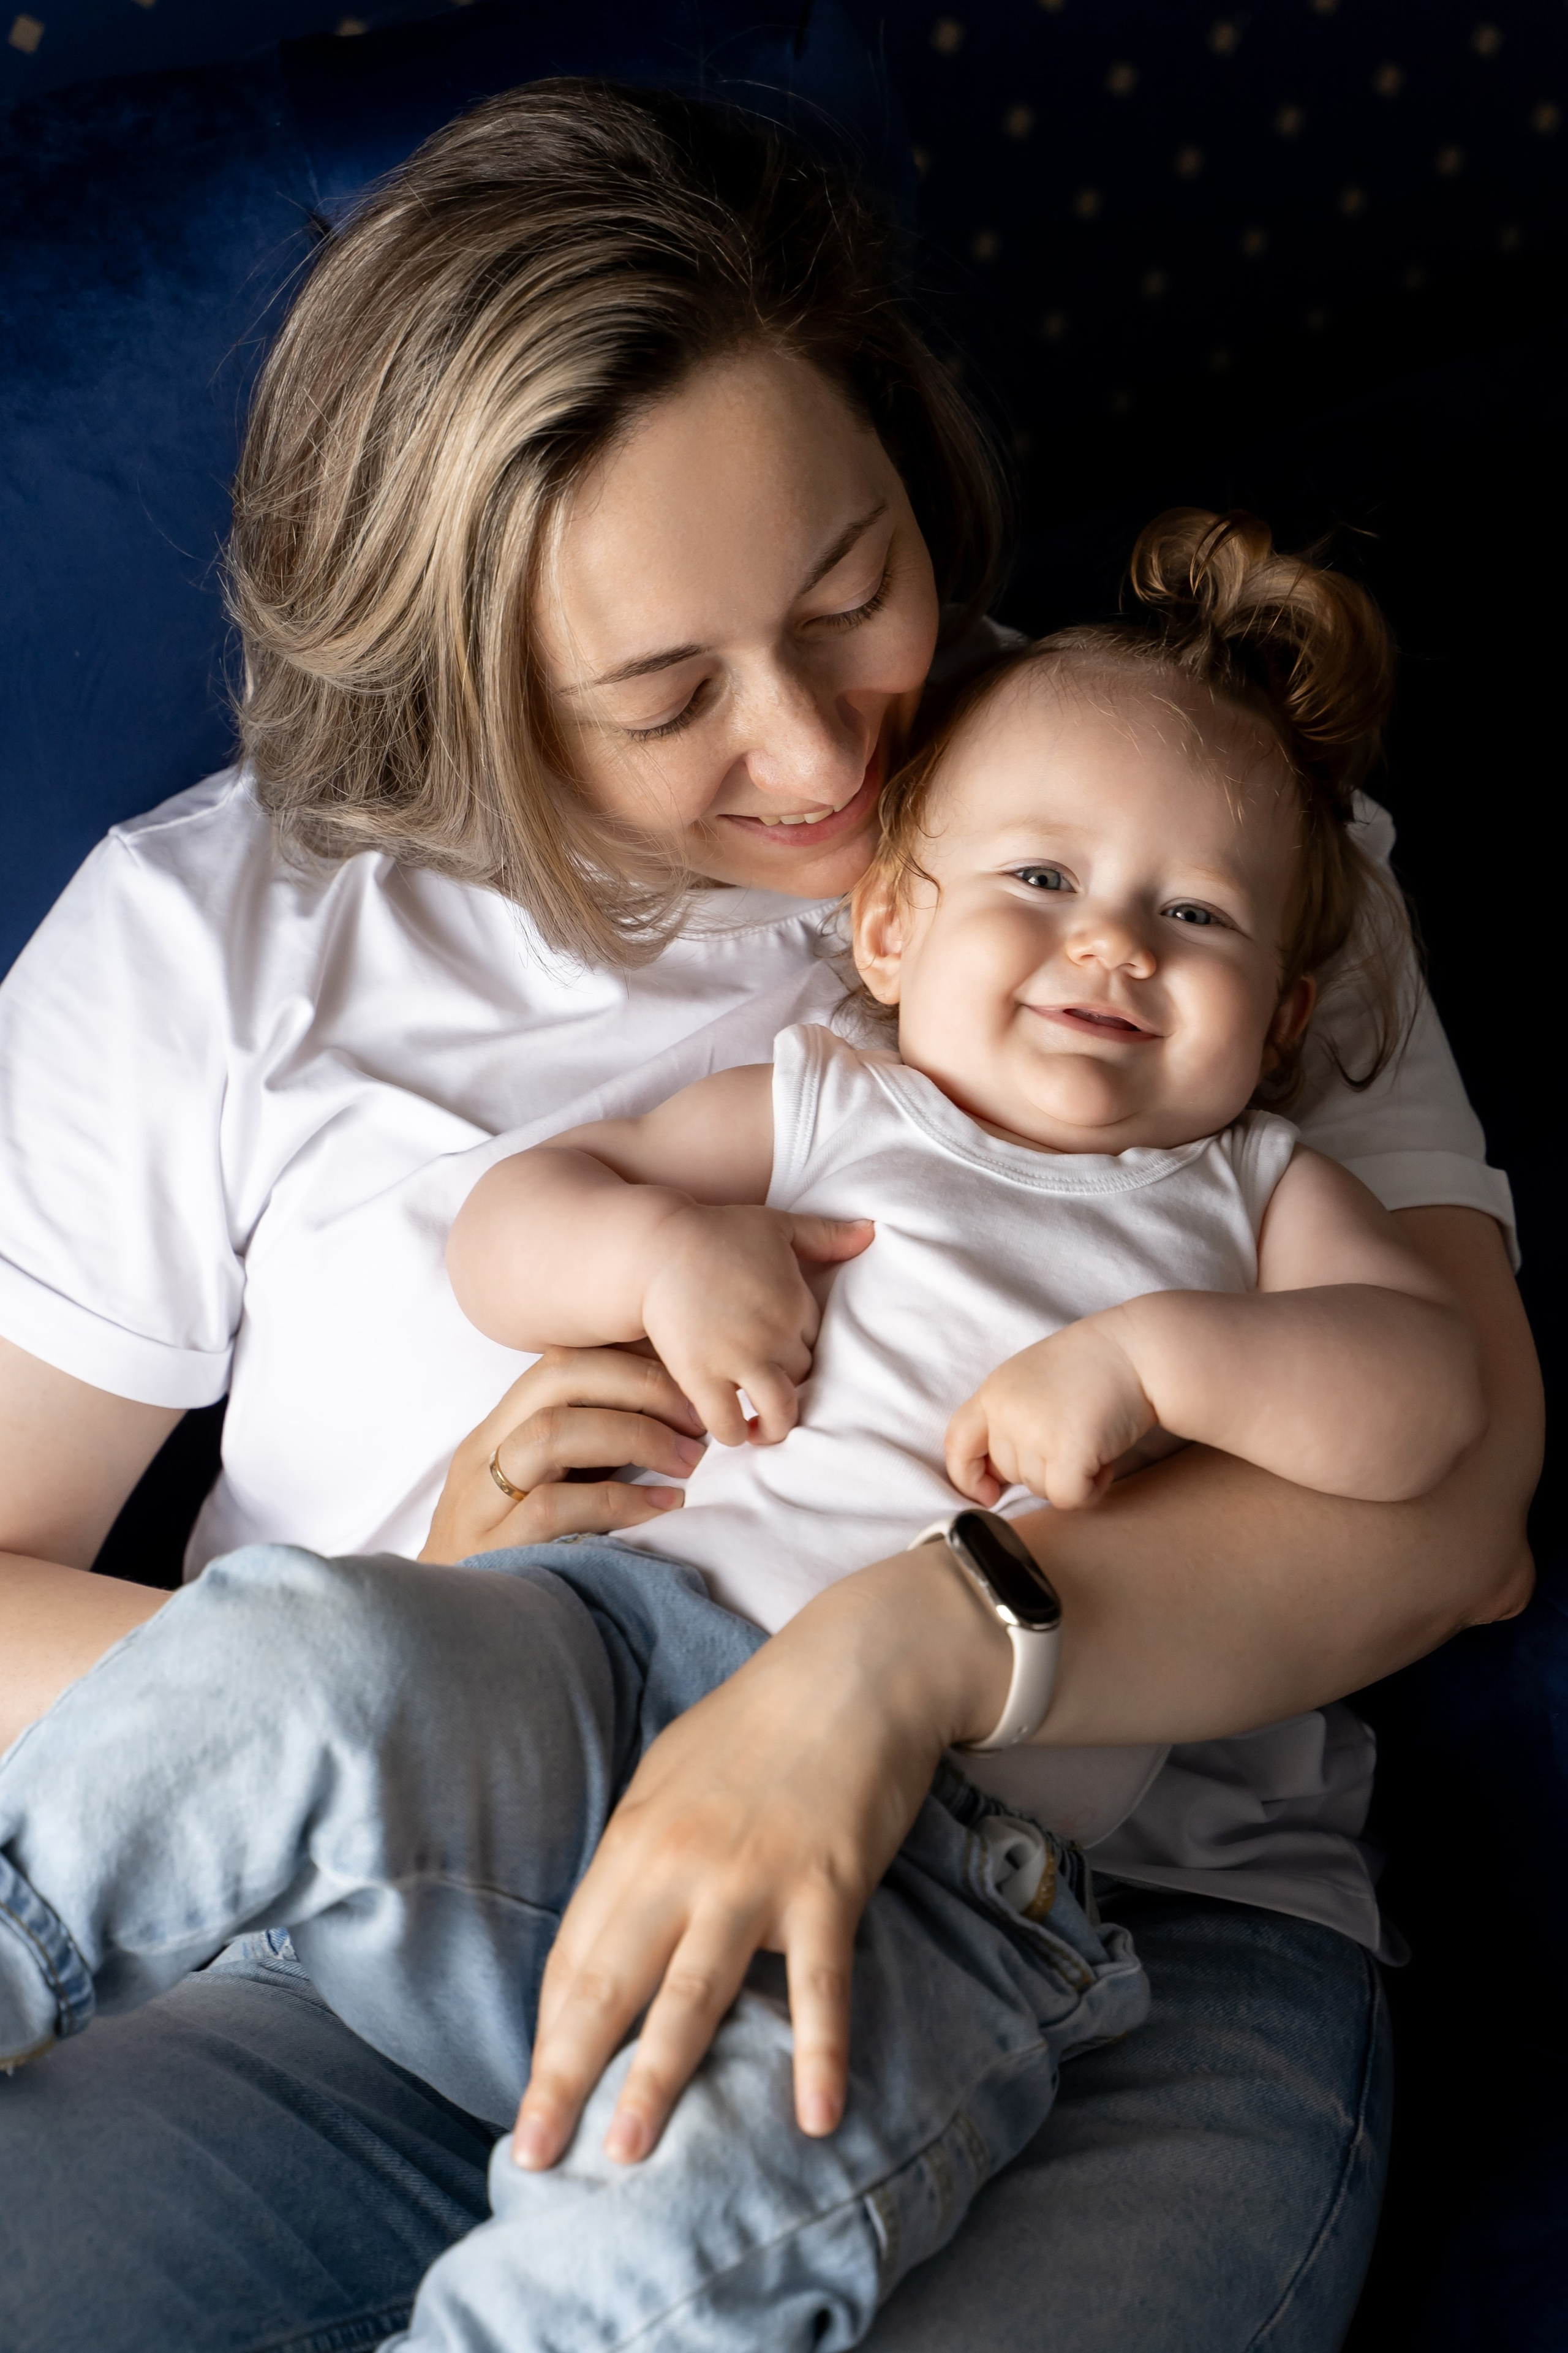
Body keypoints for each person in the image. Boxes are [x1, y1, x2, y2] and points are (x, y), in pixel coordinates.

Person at [0, 79, 1540, 2353]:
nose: (825, 758)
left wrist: (899, 1658)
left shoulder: (1172, 824)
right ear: (467, 675)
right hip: (399, 1891)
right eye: (665, 698)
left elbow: (1459, 1500)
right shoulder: (213, 941)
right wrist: (402, 1630)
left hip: (1087, 1931)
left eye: (859, 594)